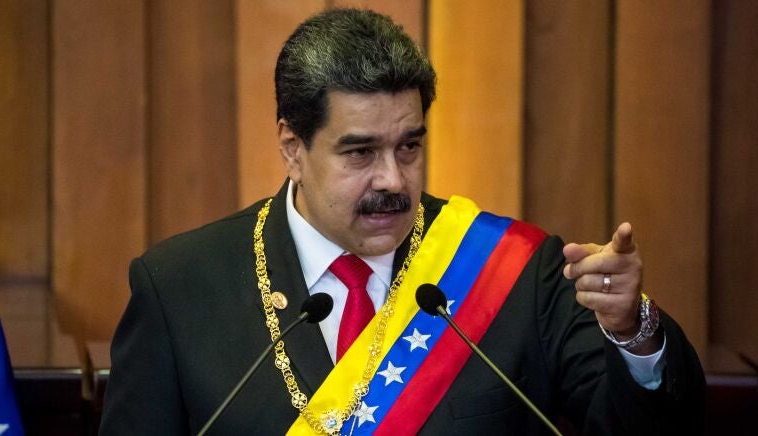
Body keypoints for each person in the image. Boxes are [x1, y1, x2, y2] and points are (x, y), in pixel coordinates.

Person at [99, 8, 704, 435]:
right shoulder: (179, 289)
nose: (393, 179)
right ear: (292, 147)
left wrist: (634, 332)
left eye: (409, 147)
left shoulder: (512, 274)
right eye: (360, 152)